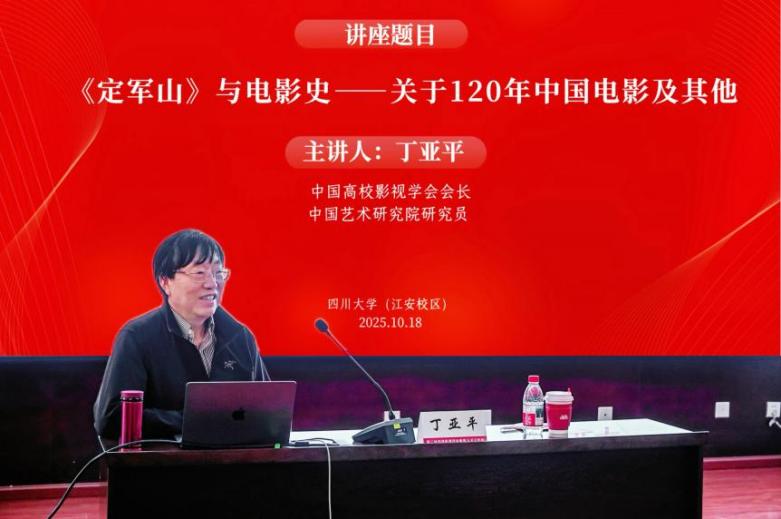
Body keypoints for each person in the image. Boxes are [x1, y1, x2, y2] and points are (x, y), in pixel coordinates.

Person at [94, 229, 269, 440]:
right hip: (165, 460)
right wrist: (192, 421)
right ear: (165, 281)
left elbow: (269, 411)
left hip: (237, 458)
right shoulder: (136, 337)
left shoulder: (240, 337)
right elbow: (112, 418)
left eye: (218, 273)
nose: (212, 283)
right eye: (199, 273)